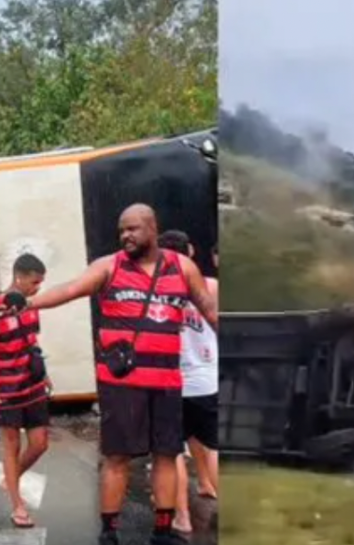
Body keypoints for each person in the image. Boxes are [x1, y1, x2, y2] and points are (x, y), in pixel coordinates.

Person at [18, 203, 218, 545]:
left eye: (133, 228)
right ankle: (109, 532)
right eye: (122, 229)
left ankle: (162, 530)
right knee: (117, 457)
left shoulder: (181, 267)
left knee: (167, 455)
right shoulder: (108, 266)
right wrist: (27, 302)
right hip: (123, 385)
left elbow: (210, 309)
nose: (125, 235)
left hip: (168, 383)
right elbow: (70, 289)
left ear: (153, 228)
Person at [0, 253, 51, 529]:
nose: (37, 288)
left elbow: (32, 340)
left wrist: (45, 373)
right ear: (19, 277)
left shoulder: (32, 305)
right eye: (35, 282)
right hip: (6, 388)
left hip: (33, 384)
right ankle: (18, 506)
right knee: (11, 445)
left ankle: (11, 477)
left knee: (40, 443)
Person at [157, 232, 219, 534]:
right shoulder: (212, 287)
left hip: (171, 382)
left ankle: (182, 517)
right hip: (207, 379)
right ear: (191, 251)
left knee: (173, 453)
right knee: (213, 445)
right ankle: (213, 489)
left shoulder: (157, 292)